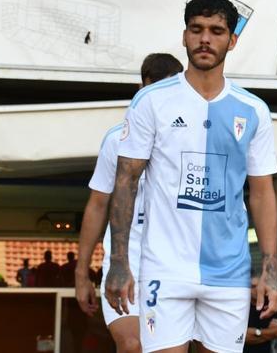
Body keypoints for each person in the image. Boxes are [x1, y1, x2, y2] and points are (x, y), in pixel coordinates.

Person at [105, 0, 277, 353]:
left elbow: (262, 193)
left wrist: (270, 269)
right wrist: (119, 262)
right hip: (165, 270)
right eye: (197, 29)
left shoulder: (253, 110)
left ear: (232, 40)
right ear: (184, 35)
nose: (205, 39)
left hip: (229, 275)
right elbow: (125, 182)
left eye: (217, 31)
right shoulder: (151, 101)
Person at [76, 53, 183, 353]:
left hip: (177, 268)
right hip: (128, 264)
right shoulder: (116, 140)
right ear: (141, 89)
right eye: (153, 92)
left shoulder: (191, 138)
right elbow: (97, 205)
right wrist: (81, 273)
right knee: (134, 345)